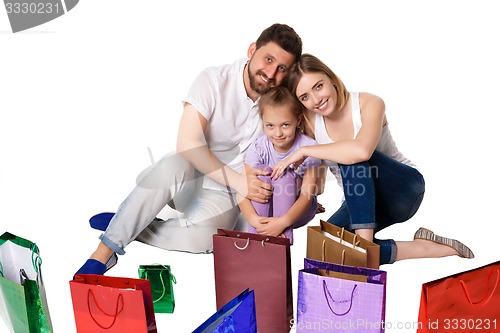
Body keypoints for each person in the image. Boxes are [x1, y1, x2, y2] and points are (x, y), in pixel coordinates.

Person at [74, 24, 303, 276]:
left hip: (229, 197)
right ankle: (104, 252)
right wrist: (239, 181)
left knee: (206, 240)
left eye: (281, 68)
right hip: (189, 180)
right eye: (268, 59)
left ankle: (128, 222)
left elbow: (300, 145)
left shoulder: (282, 101)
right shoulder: (214, 80)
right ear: (252, 50)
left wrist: (303, 191)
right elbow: (188, 144)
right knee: (173, 165)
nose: (270, 73)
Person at [273, 53, 474, 265]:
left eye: (318, 86)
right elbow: (319, 181)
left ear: (330, 77)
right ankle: (423, 248)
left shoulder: (369, 103)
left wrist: (304, 151)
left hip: (403, 190)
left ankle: (363, 245)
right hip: (363, 202)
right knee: (324, 247)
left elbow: (361, 152)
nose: (316, 100)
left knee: (350, 156)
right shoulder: (311, 123)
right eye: (305, 97)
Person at [238, 86, 321, 244]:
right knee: (260, 173)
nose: (278, 134)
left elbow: (306, 195)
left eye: (285, 125)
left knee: (283, 175)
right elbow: (242, 191)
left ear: (297, 121)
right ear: (263, 123)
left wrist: (282, 222)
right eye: (270, 126)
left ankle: (282, 241)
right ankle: (256, 238)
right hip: (266, 214)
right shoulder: (258, 147)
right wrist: (255, 221)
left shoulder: (308, 147)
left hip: (297, 211)